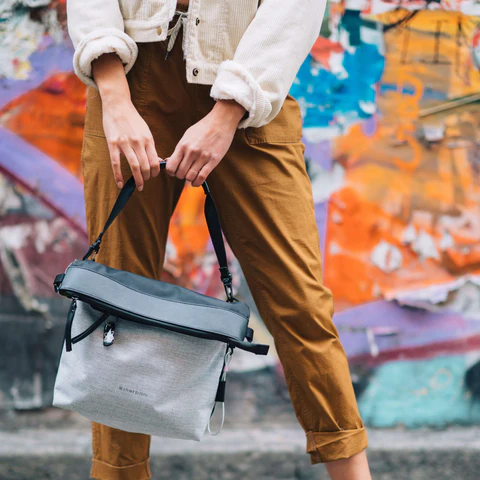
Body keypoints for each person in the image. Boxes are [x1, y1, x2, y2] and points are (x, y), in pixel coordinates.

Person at [67, 1, 372, 479]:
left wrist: (229, 110)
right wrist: (115, 96)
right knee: (115, 305)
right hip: (131, 80)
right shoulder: (121, 93)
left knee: (301, 304)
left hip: (251, 83)